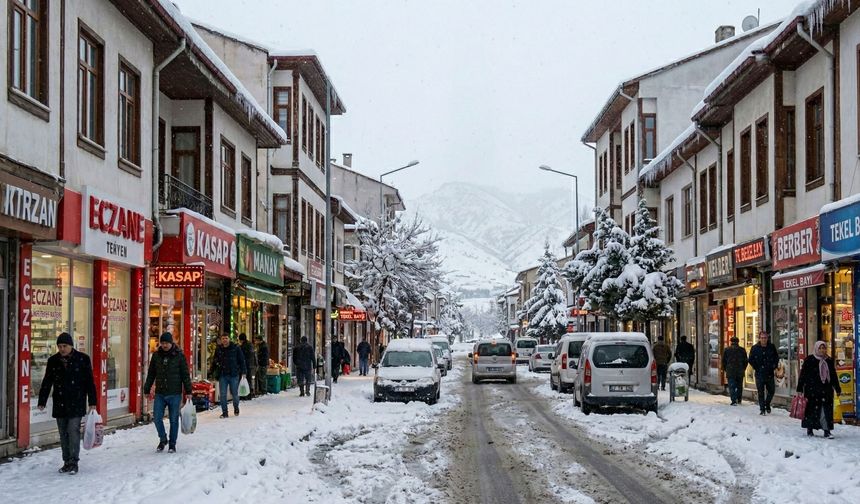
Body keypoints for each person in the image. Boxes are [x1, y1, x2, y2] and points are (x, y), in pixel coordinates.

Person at [37, 332, 97, 475]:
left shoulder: (82, 359)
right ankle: (66, 461)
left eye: (64, 346)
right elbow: (47, 381)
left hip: (76, 402)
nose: (62, 349)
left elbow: (89, 382)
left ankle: (74, 461)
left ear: (71, 345)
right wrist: (42, 401)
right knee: (63, 433)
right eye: (59, 346)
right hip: (60, 402)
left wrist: (92, 402)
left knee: (73, 431)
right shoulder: (53, 361)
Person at [143, 332, 192, 453]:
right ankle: (163, 438)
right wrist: (147, 388)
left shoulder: (179, 356)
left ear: (171, 343)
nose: (164, 345)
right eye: (163, 343)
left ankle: (172, 443)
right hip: (160, 392)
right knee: (157, 418)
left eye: (166, 343)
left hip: (175, 393)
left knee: (174, 419)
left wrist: (188, 391)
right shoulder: (156, 356)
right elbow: (151, 374)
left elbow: (185, 375)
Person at [797, 341, 841, 438]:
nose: (822, 350)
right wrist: (800, 387)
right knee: (811, 411)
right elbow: (803, 374)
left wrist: (837, 388)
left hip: (826, 390)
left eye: (824, 348)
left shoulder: (828, 360)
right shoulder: (809, 360)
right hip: (812, 390)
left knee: (825, 411)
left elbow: (833, 375)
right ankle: (810, 428)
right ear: (816, 348)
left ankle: (827, 430)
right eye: (820, 348)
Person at [209, 334, 246, 418]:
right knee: (222, 394)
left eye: (226, 338)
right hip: (223, 374)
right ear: (221, 340)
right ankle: (224, 412)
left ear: (229, 339)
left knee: (235, 393)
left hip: (234, 374)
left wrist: (244, 372)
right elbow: (215, 360)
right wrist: (211, 371)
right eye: (223, 338)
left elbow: (241, 360)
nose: (224, 340)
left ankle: (236, 407)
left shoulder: (236, 348)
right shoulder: (219, 349)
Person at [748, 331, 779, 415]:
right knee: (760, 392)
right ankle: (762, 409)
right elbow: (750, 359)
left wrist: (774, 366)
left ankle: (767, 403)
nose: (763, 340)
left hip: (769, 373)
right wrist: (756, 367)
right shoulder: (755, 348)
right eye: (762, 338)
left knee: (771, 391)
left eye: (765, 338)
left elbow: (776, 357)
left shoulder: (771, 347)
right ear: (759, 338)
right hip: (759, 373)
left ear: (767, 338)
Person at [721, 336, 748, 406]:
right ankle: (739, 399)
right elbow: (745, 361)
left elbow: (723, 361)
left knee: (732, 386)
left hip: (730, 370)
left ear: (731, 342)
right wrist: (743, 368)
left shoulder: (727, 350)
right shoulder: (742, 350)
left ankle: (733, 400)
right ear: (738, 342)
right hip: (740, 370)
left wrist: (725, 369)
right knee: (739, 386)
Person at [238, 333, 257, 399]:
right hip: (251, 365)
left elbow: (242, 357)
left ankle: (245, 395)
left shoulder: (243, 346)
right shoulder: (250, 344)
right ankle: (250, 394)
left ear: (241, 340)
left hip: (246, 365)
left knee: (244, 380)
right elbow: (254, 355)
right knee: (249, 380)